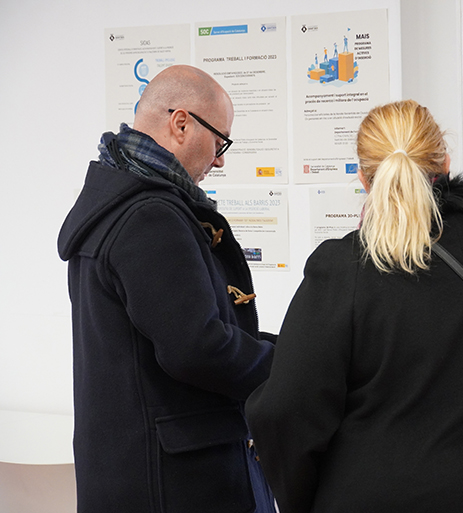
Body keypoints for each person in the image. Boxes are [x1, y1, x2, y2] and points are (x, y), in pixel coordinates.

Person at [245, 100, 463, 513]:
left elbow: (286, 411)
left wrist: (310, 498)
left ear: (363, 177)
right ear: (446, 162)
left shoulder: (343, 269)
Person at [57, 65, 276, 513]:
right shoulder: (150, 217)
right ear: (181, 124)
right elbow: (198, 347)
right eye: (220, 142)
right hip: (176, 484)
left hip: (136, 472)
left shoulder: (117, 204)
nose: (219, 160)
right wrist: (297, 365)